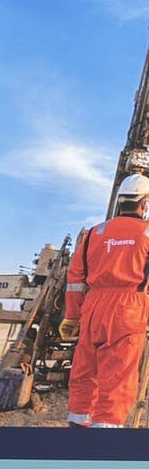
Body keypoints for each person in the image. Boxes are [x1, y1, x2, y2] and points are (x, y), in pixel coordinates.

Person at [63, 172, 149, 427]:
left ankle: (78, 426)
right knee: (118, 377)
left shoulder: (93, 234)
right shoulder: (147, 233)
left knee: (84, 372)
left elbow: (75, 277)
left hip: (92, 308)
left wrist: (71, 316)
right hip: (129, 310)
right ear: (144, 204)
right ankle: (106, 438)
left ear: (120, 201)